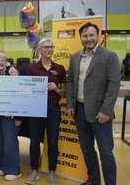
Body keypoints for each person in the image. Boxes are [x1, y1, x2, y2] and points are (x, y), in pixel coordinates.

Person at [66, 22, 120, 185]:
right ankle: (94, 180)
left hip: (100, 113)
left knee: (106, 153)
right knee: (87, 150)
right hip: (80, 111)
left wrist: (106, 111)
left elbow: (113, 85)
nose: (88, 39)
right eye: (85, 36)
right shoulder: (75, 57)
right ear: (80, 38)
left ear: (98, 36)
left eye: (91, 35)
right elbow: (71, 82)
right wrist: (70, 104)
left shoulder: (109, 56)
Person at [26, 38, 66, 185]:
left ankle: (52, 172)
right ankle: (34, 171)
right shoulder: (32, 68)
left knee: (53, 141)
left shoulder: (60, 68)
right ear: (40, 50)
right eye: (46, 47)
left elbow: (64, 93)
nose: (49, 50)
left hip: (53, 109)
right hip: (36, 109)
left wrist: (55, 88)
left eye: (51, 47)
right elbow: (26, 89)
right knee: (35, 141)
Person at [0, 51, 22, 181]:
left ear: (7, 62)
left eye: (2, 60)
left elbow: (22, 94)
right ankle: (3, 166)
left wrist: (19, 117)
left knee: (10, 141)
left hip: (12, 114)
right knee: (0, 140)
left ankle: (14, 170)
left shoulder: (13, 73)